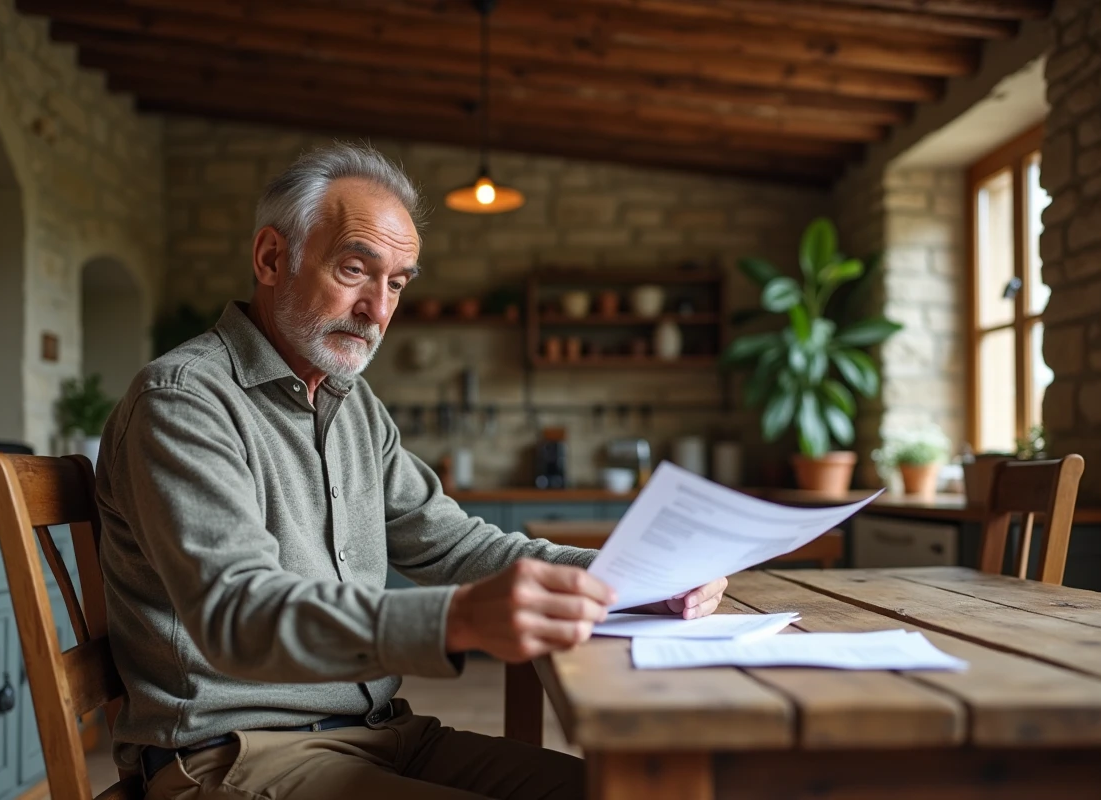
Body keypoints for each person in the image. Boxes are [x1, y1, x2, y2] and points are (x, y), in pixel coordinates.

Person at [95, 143, 727, 800]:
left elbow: (454, 542)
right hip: (234, 754)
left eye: (396, 283)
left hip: (381, 732)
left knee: (629, 792)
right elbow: (238, 612)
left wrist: (627, 580)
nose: (377, 309)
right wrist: (456, 620)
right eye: (354, 270)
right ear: (270, 258)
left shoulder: (353, 405)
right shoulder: (183, 403)